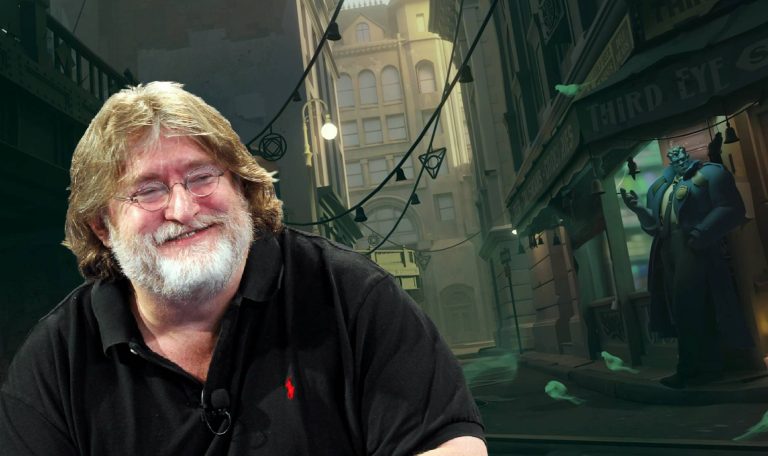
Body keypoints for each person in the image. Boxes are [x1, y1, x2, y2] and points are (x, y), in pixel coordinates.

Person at [0, 82, 486, 455]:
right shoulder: (55, 360)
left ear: (242, 187)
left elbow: (448, 446)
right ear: (102, 226)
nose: (183, 209)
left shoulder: (353, 296)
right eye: (148, 190)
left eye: (202, 177)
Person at [620, 145, 754, 389]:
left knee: (688, 305)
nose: (678, 159)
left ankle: (697, 367)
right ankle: (695, 367)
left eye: (681, 155)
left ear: (687, 155)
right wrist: (639, 209)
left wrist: (700, 234)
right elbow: (655, 227)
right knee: (680, 308)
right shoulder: (659, 187)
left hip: (693, 245)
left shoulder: (710, 173)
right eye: (673, 157)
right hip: (668, 248)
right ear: (669, 160)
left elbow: (731, 208)